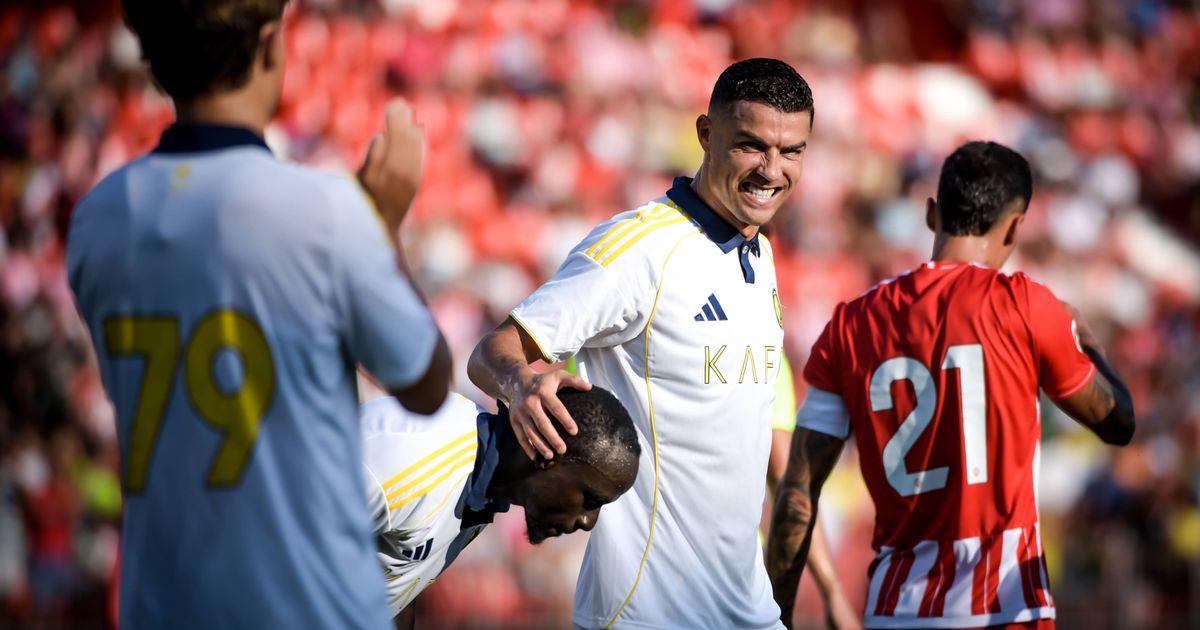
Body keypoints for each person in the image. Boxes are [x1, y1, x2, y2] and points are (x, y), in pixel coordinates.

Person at [66, 1, 451, 627]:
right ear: (272, 43)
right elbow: (426, 384)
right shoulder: (324, 209)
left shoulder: (97, 218)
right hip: (306, 604)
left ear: (156, 65)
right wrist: (382, 228)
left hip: (163, 603)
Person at [469, 57, 814, 629]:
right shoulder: (639, 249)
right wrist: (521, 381)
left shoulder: (759, 249)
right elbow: (494, 349)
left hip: (747, 608)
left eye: (791, 152)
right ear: (706, 134)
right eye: (751, 146)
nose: (771, 170)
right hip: (649, 612)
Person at [766, 141, 1136, 629]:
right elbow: (1118, 424)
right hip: (1006, 609)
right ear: (1015, 227)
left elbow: (798, 494)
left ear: (931, 214)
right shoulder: (1028, 306)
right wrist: (1089, 343)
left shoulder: (851, 325)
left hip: (897, 610)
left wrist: (775, 617)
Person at [359, 387, 640, 628]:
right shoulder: (407, 463)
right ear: (550, 453)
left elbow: (396, 589)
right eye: (590, 500)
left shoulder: (487, 482)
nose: (588, 521)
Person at [761, 355, 861, 630]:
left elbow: (790, 488)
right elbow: (790, 486)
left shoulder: (768, 352)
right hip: (731, 577)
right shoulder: (766, 349)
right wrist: (833, 593)